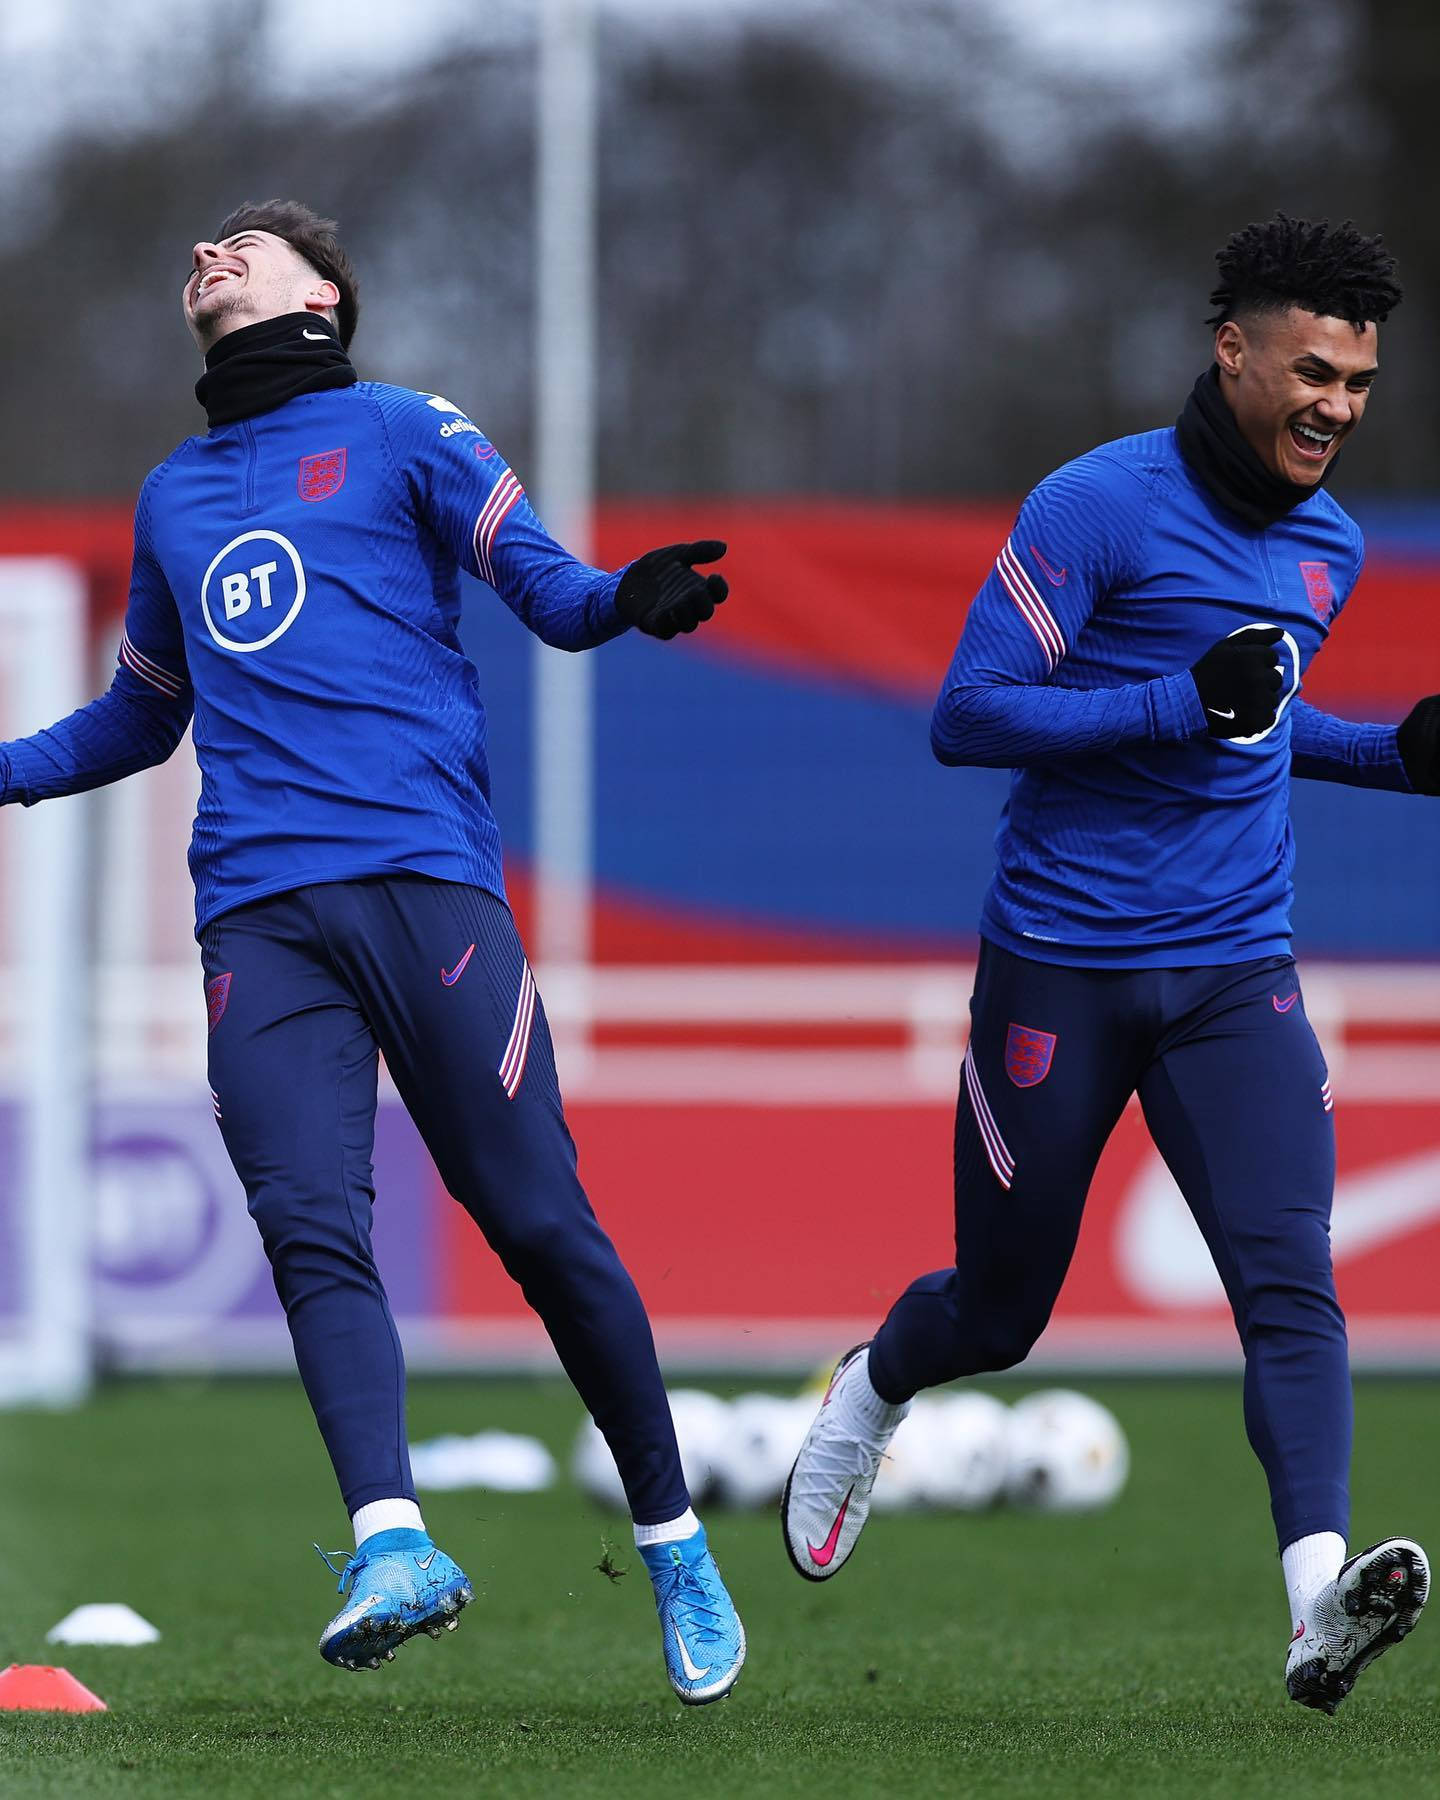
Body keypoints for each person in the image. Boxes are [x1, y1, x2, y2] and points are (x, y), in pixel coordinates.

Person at [1, 198, 744, 1705]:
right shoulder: (172, 495)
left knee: (538, 1224)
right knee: (309, 1225)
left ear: (323, 292)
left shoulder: (407, 429)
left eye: (245, 245)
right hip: (259, 920)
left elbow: (545, 587)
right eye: (198, 248)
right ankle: (393, 1540)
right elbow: (146, 715)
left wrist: (627, 602)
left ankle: (671, 1535)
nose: (208, 256)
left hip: (424, 885)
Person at [782, 214, 1440, 1714]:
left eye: (1360, 379)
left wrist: (1402, 757)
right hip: (1059, 972)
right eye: (1314, 368)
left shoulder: (1327, 544)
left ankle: (1313, 1605)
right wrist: (1162, 701)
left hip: (1234, 975)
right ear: (1234, 350)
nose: (1338, 403)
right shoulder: (1096, 506)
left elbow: (1253, 729)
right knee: (1001, 1314)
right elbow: (971, 710)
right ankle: (873, 1389)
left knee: (1290, 1285)